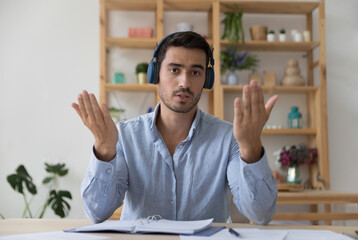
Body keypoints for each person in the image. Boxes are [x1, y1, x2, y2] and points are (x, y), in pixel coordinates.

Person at [72, 31, 279, 225]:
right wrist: (104, 150)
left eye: (196, 72)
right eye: (174, 70)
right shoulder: (125, 136)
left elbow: (260, 215)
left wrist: (251, 149)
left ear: (206, 79)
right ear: (156, 74)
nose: (184, 82)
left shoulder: (229, 138)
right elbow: (97, 212)